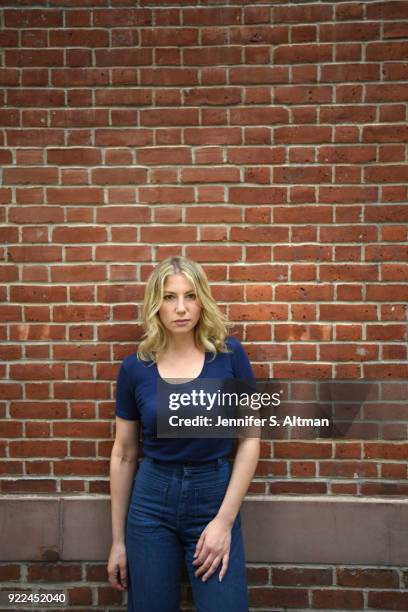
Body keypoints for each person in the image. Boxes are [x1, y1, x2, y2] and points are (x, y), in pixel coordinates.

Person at [107, 256, 260, 612]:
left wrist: (224, 522)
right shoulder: (135, 367)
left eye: (190, 296)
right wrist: (118, 541)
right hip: (151, 503)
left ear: (202, 300)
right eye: (169, 297)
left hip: (213, 497)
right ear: (154, 304)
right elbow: (125, 453)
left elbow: (250, 440)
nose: (181, 308)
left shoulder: (228, 356)